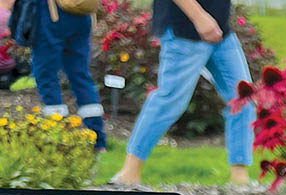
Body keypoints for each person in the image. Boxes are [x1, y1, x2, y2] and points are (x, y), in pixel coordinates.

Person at [112, 0, 252, 185]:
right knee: (169, 101)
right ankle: (128, 173)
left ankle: (239, 179)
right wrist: (199, 17)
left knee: (243, 99)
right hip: (185, 31)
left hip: (220, 31)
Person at [31, 0, 106, 148]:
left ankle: (58, 135)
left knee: (46, 73)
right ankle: (97, 138)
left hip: (52, 13)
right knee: (80, 74)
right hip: (82, 12)